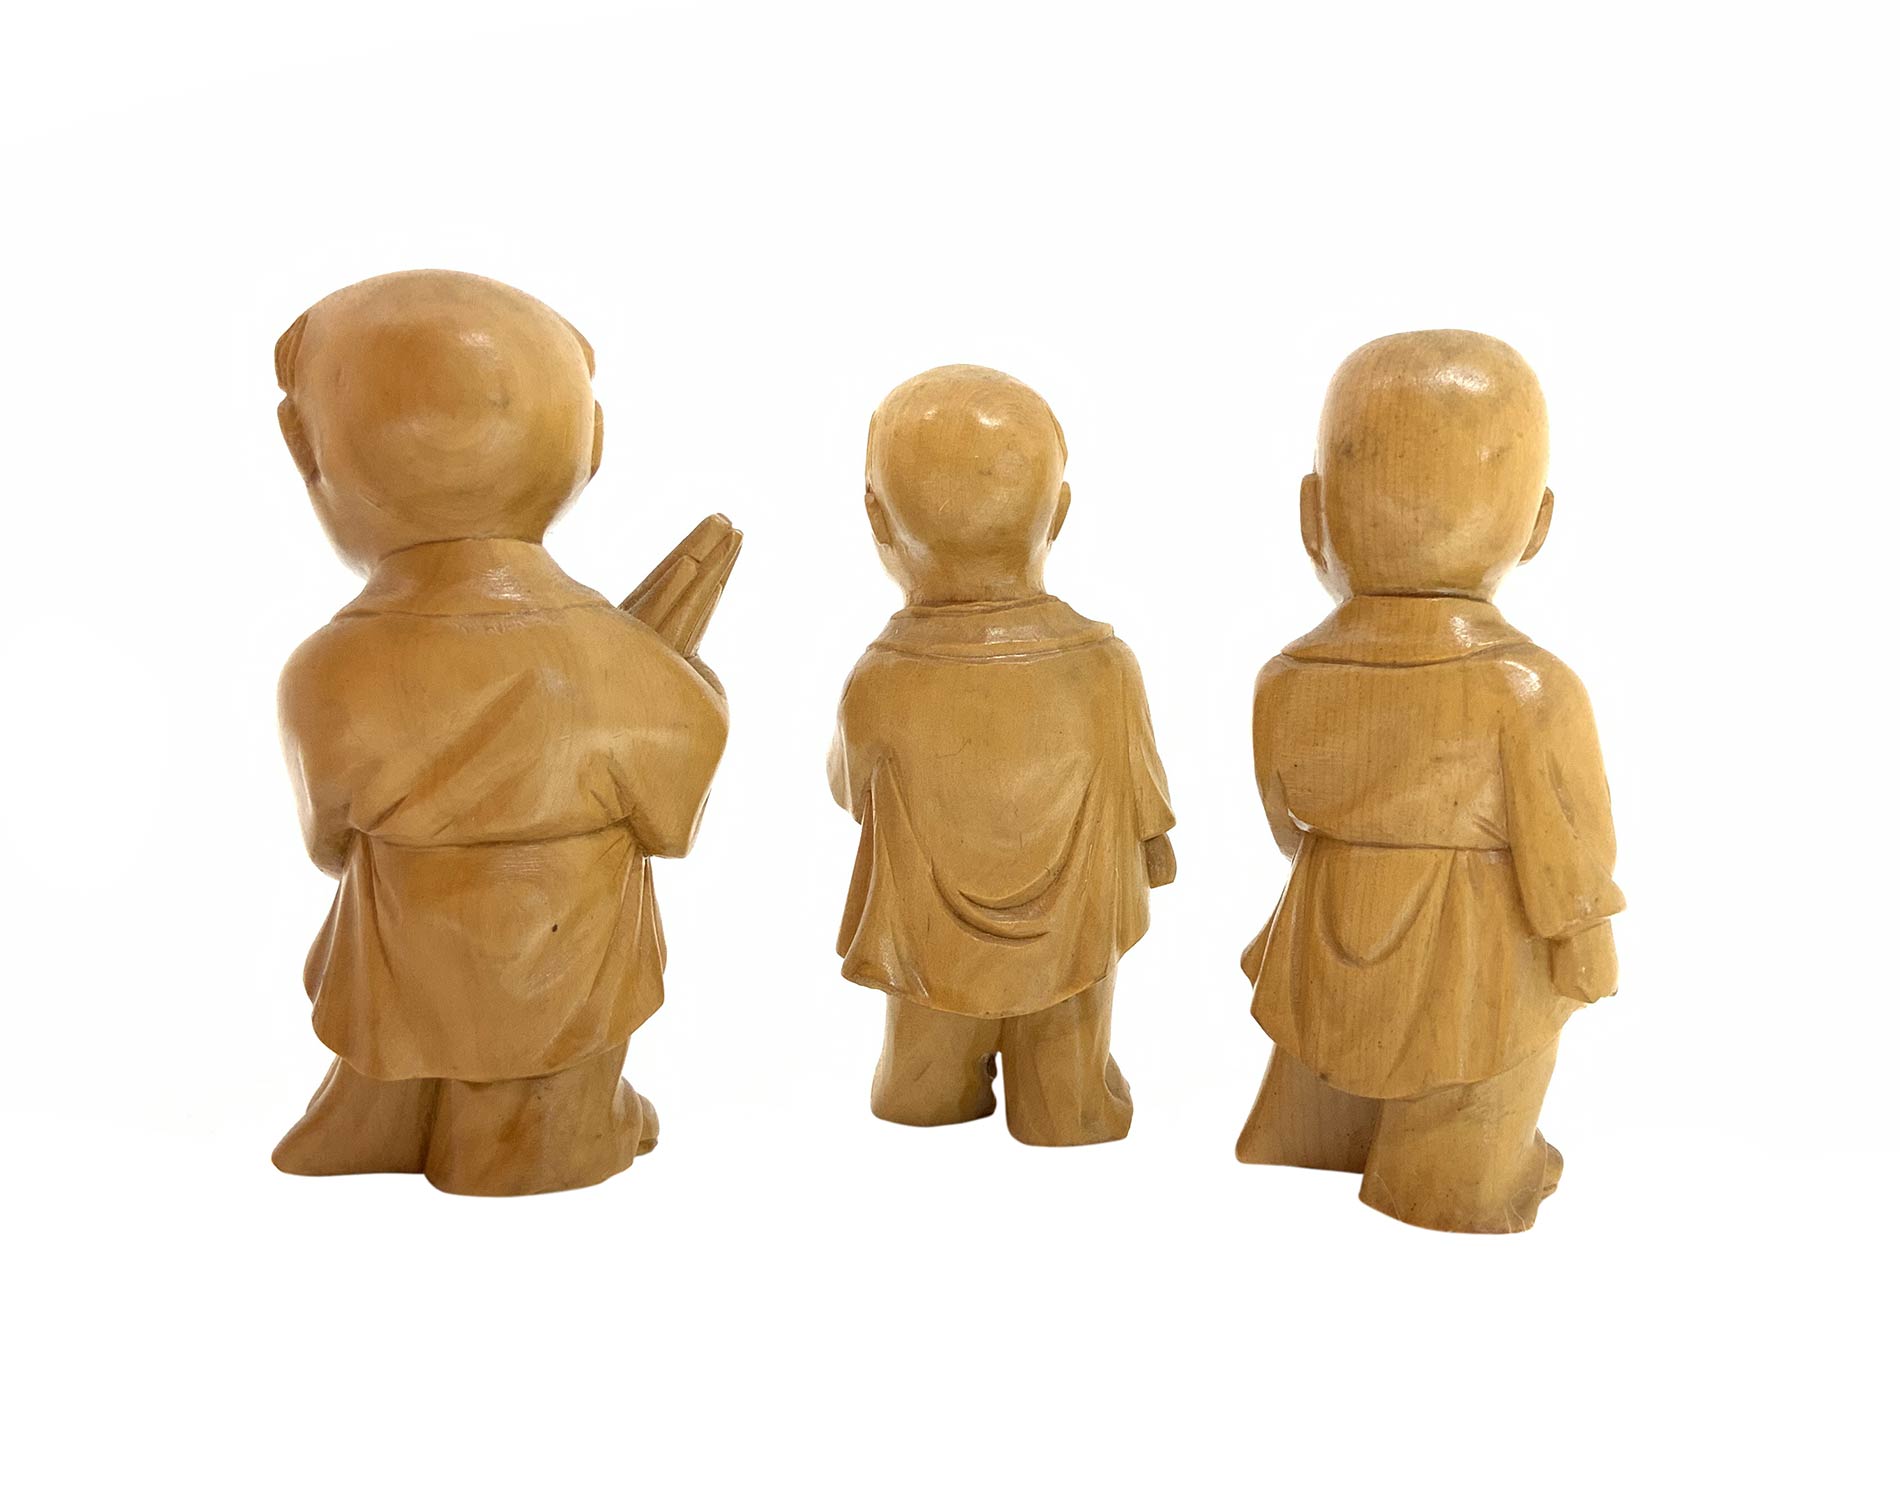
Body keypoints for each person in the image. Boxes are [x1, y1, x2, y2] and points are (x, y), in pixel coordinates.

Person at [270, 270, 728, 1195]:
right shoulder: (620, 658)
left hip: (400, 966)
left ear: (309, 460)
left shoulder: (324, 672)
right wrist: (684, 676)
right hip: (569, 969)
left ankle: (395, 1117)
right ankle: (530, 1134)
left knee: (387, 968)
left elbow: (330, 846)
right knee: (556, 1046)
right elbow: (674, 810)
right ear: (591, 448)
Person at [1235, 330, 1623, 1232]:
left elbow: (1286, 827)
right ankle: (1453, 1178)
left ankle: (1333, 1136)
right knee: (1484, 1069)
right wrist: (1588, 945)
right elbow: (1569, 857)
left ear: (1312, 517)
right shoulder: (1531, 690)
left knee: (1324, 1043)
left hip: (1326, 934)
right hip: (1478, 964)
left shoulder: (1284, 679)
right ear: (1537, 525)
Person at [829, 365, 1175, 1146]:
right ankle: (1068, 1101)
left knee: (918, 1074)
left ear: (877, 520)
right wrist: (1151, 852)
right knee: (1071, 1078)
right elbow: (1144, 803)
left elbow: (851, 791)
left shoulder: (880, 677)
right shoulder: (1106, 666)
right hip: (1076, 934)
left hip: (926, 942)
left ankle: (925, 1089)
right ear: (1060, 513)